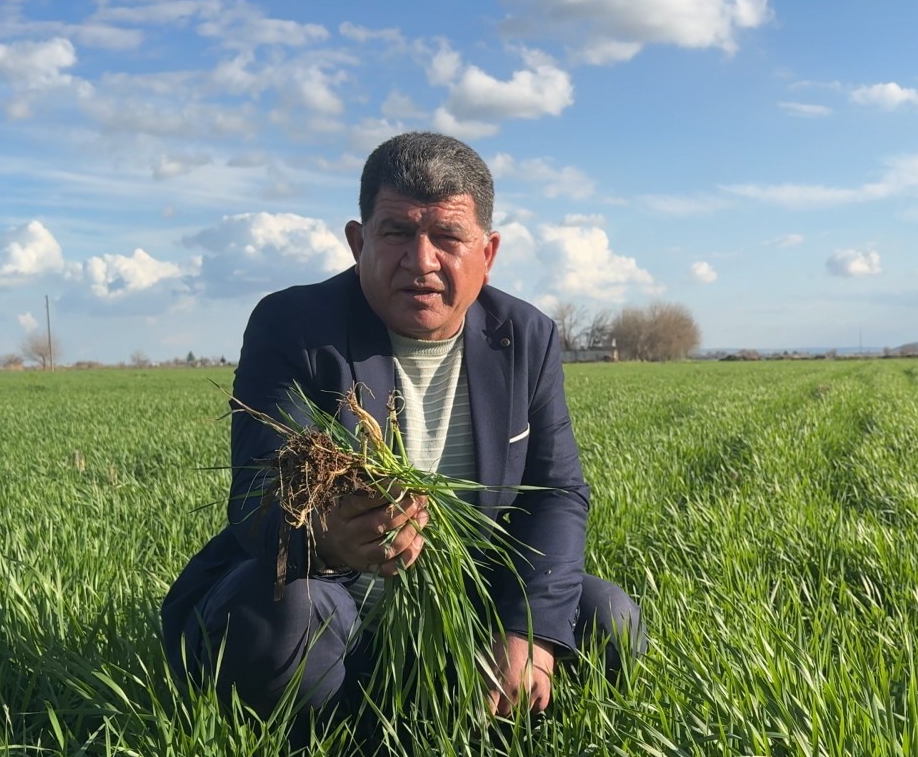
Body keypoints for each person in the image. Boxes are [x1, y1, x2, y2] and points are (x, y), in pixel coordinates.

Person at [160, 132, 643, 726]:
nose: (422, 260)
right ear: (358, 241)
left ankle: (499, 740)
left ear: (486, 253)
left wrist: (528, 630)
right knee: (282, 615)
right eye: (396, 233)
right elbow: (257, 494)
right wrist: (329, 535)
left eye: (448, 237)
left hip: (460, 602)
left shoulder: (526, 337)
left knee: (606, 617)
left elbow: (558, 492)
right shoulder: (294, 327)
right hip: (332, 590)